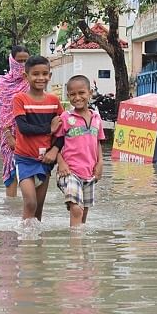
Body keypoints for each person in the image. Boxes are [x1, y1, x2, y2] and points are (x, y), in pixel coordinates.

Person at [12, 55, 64, 223]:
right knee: (30, 203)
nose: (40, 78)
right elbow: (23, 128)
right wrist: (48, 128)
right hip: (24, 160)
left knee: (39, 208)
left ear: (50, 75)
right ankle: (25, 240)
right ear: (26, 76)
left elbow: (63, 131)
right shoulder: (20, 99)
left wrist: (55, 150)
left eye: (44, 74)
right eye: (35, 74)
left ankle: (36, 246)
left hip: (46, 161)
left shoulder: (54, 101)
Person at [55, 75, 105, 227]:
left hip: (89, 173)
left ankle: (80, 246)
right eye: (72, 94)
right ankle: (75, 250)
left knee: (83, 216)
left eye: (81, 93)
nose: (77, 97)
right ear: (68, 96)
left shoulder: (96, 118)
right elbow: (55, 143)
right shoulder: (65, 117)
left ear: (90, 93)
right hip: (69, 172)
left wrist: (100, 163)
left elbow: (97, 143)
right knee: (77, 209)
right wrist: (61, 162)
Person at [0, 45, 30, 198]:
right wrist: (9, 135)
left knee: (29, 169)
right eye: (19, 61)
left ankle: (28, 205)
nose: (22, 65)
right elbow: (1, 110)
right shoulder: (3, 83)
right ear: (12, 61)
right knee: (10, 168)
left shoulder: (32, 81)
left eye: (25, 61)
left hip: (29, 130)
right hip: (8, 131)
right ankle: (10, 205)